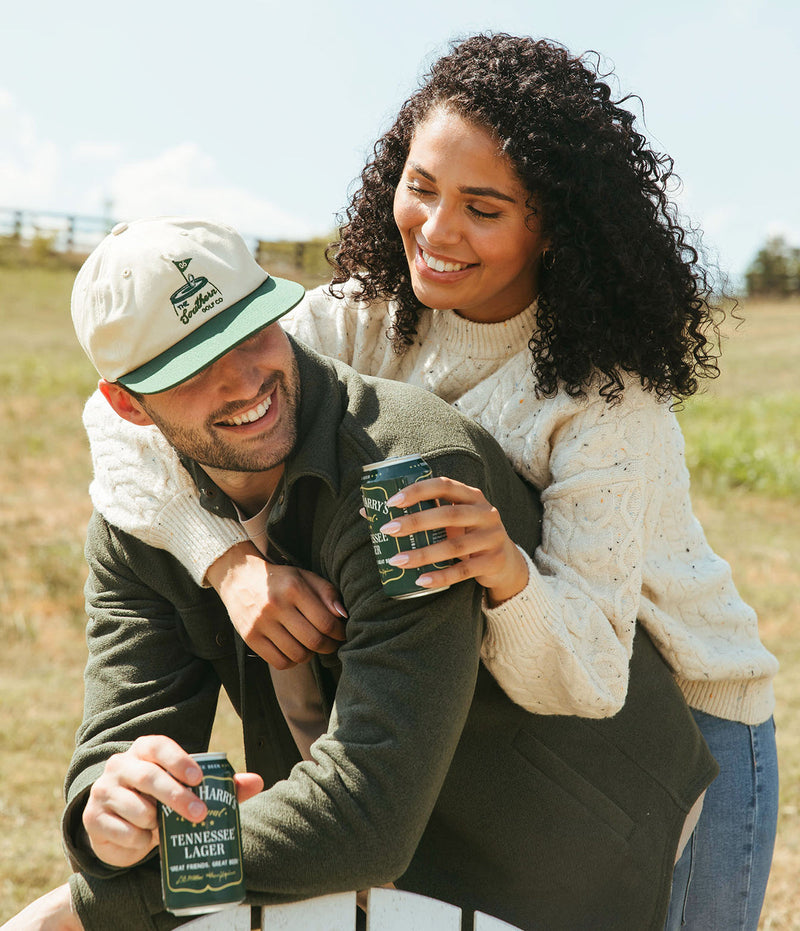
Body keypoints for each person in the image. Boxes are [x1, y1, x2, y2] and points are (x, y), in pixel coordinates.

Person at [78, 33, 779, 931]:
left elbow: (595, 674)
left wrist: (508, 574)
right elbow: (123, 417)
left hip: (680, 705)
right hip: (501, 728)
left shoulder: (606, 398)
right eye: (422, 187)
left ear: (551, 223)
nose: (438, 232)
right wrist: (229, 565)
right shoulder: (367, 315)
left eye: (484, 208)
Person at [3, 215, 716, 931]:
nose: (244, 378)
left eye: (250, 330)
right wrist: (107, 816)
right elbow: (120, 741)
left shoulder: (404, 474)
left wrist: (99, 900)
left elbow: (365, 811)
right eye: (190, 367)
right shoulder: (142, 527)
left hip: (575, 848)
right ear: (128, 403)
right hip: (386, 875)